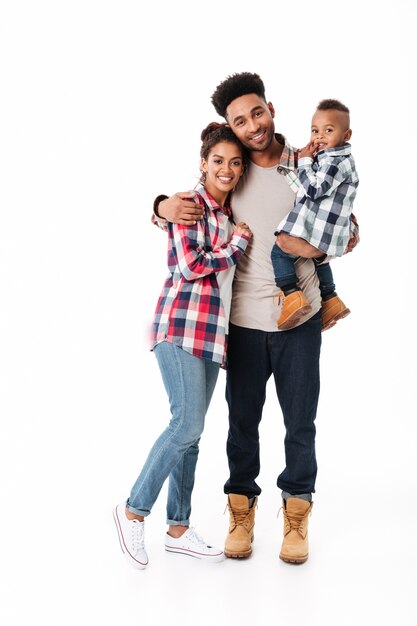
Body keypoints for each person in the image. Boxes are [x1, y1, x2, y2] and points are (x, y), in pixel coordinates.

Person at [155, 72, 359, 565]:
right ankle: (241, 511)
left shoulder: (306, 161)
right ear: (229, 127)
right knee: (242, 424)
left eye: (257, 113)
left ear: (271, 108)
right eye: (239, 121)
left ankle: (296, 515)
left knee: (300, 423)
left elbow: (345, 220)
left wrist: (349, 232)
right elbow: (191, 205)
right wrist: (160, 207)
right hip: (242, 325)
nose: (251, 126)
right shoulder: (235, 170)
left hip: (300, 319)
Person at [113, 122, 252, 569]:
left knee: (191, 435)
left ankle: (178, 528)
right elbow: (192, 266)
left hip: (211, 335)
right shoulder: (190, 205)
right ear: (202, 163)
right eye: (218, 161)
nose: (227, 169)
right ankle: (133, 510)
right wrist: (238, 244)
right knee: (185, 425)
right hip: (180, 327)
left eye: (234, 162)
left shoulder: (228, 212)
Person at [271, 99, 359, 331]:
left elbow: (312, 189)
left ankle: (292, 295)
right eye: (315, 130)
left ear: (346, 134)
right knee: (314, 259)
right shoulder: (333, 159)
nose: (319, 136)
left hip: (322, 229)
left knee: (280, 251)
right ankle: (330, 298)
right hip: (327, 230)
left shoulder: (334, 161)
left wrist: (304, 161)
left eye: (328, 130)